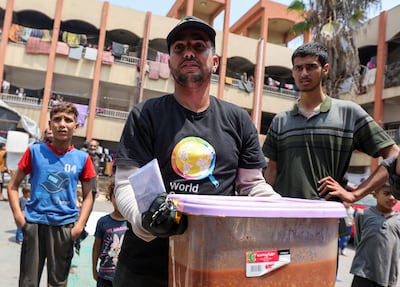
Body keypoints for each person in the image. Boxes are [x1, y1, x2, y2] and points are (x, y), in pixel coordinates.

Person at [112, 15, 280, 287]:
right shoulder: (146, 115)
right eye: (179, 47)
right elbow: (126, 184)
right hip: (144, 268)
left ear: (214, 62)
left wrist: (285, 211)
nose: (188, 52)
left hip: (213, 265)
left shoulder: (238, 120)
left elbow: (252, 186)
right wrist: (145, 222)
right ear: (169, 62)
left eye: (199, 46)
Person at [262, 41, 399, 203]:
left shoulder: (349, 113)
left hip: (327, 218)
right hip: (283, 216)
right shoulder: (280, 120)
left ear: (325, 69)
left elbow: (393, 153)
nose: (304, 73)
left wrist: (356, 194)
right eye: (299, 68)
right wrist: (266, 206)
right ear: (293, 72)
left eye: (311, 66)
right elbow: (272, 169)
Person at [7, 102, 97, 287]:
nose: (62, 124)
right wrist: (19, 217)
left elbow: (89, 195)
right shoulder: (34, 151)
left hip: (64, 226)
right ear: (50, 125)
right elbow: (13, 186)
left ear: (76, 126)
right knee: (28, 282)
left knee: (58, 283)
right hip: (34, 224)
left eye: (68, 120)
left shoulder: (83, 158)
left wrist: (79, 226)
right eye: (57, 120)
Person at [350, 180, 400, 287]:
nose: (391, 197)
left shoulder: (398, 219)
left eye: (395, 194)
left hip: (386, 276)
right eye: (386, 193)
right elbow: (359, 241)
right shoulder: (363, 215)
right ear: (375, 195)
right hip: (363, 273)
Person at [92, 178, 128, 287]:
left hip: (126, 277)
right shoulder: (103, 222)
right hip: (105, 276)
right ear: (110, 197)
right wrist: (94, 269)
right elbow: (96, 247)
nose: (119, 200)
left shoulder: (133, 222)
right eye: (116, 196)